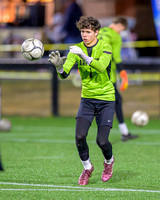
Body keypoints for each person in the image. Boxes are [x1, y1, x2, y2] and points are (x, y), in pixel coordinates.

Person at [49, 16, 115, 186]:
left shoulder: (105, 46)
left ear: (96, 33)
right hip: (87, 99)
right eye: (82, 32)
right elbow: (64, 75)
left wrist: (84, 57)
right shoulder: (75, 49)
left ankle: (109, 162)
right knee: (79, 136)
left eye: (88, 32)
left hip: (106, 99)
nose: (84, 35)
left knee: (102, 141)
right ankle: (87, 168)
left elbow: (101, 67)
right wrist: (58, 67)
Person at [98, 16, 138, 141]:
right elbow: (116, 57)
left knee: (107, 102)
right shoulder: (115, 36)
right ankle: (121, 133)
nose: (121, 32)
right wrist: (123, 74)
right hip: (108, 76)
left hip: (95, 73)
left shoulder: (99, 32)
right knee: (115, 102)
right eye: (122, 30)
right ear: (119, 25)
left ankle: (123, 132)